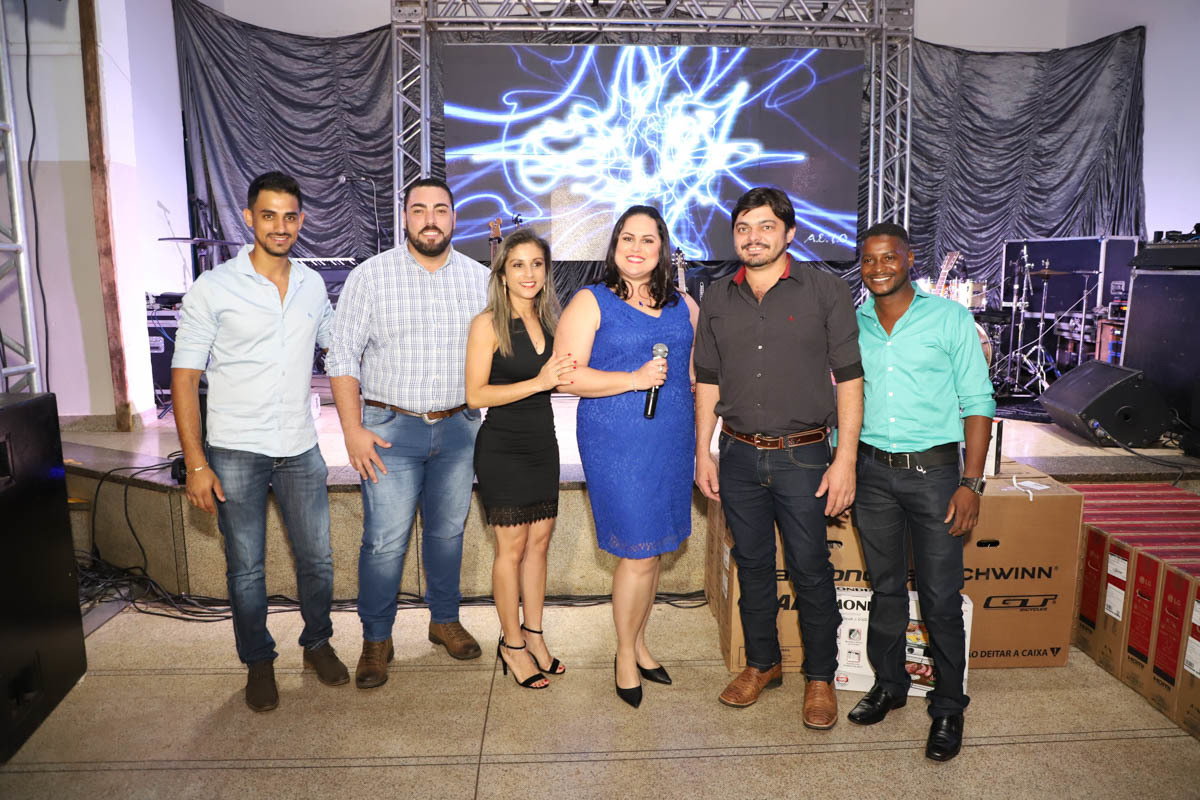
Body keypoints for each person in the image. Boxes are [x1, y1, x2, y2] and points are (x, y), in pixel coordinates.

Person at [171, 171, 347, 712]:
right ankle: (259, 661)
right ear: (249, 218)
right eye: (268, 216)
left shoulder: (312, 286)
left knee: (317, 559)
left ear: (302, 220)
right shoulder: (213, 287)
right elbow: (184, 378)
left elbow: (341, 348)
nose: (280, 226)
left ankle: (317, 644)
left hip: (300, 447)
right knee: (246, 568)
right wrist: (196, 464)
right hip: (235, 449)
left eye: (290, 216)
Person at [693, 187, 863, 727]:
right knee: (753, 565)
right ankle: (762, 664)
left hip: (805, 456)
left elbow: (850, 379)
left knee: (811, 569)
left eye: (766, 226)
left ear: (789, 233)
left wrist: (846, 459)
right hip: (738, 456)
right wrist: (703, 451)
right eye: (743, 228)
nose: (753, 237)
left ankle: (820, 676)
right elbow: (708, 380)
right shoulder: (717, 297)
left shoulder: (825, 290)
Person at [325, 177, 489, 689]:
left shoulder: (481, 280)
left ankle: (444, 620)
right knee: (383, 542)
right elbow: (342, 355)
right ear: (404, 217)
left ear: (454, 217)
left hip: (458, 429)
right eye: (419, 209)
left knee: (447, 533)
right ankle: (377, 638)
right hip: (389, 431)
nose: (430, 219)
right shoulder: (371, 276)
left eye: (440, 209)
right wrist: (351, 430)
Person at [847, 222, 994, 762]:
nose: (878, 267)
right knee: (885, 588)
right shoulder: (854, 323)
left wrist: (970, 483)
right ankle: (890, 684)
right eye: (869, 259)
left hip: (934, 475)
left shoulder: (949, 318)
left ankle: (949, 705)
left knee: (938, 596)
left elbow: (978, 402)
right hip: (871, 473)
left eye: (889, 257)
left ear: (909, 260)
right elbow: (845, 398)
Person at [556, 205, 699, 708]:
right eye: (627, 239)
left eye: (648, 240)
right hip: (617, 441)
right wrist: (633, 379)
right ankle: (623, 654)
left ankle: (639, 643)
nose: (636, 249)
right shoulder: (590, 301)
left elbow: (695, 373)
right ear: (614, 246)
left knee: (654, 550)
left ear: (662, 249)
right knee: (637, 552)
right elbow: (567, 376)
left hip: (672, 439)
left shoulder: (684, 305)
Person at [465, 229, 575, 690]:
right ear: (502, 273)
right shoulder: (487, 324)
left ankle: (534, 634)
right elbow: (475, 395)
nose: (528, 273)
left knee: (539, 544)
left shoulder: (551, 320)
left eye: (537, 264)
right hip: (503, 449)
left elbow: (564, 377)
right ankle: (511, 645)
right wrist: (538, 382)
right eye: (518, 264)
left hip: (543, 444)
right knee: (510, 550)